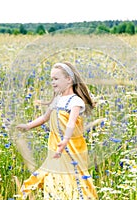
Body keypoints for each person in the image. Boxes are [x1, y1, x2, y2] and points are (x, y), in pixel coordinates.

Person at [16, 62, 98, 199]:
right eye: (51, 79)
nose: (53, 82)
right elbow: (44, 118)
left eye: (56, 79)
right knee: (52, 174)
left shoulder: (75, 101)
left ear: (69, 80)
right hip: (55, 145)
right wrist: (28, 126)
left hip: (71, 147)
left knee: (73, 175)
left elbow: (71, 123)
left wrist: (65, 140)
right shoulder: (57, 99)